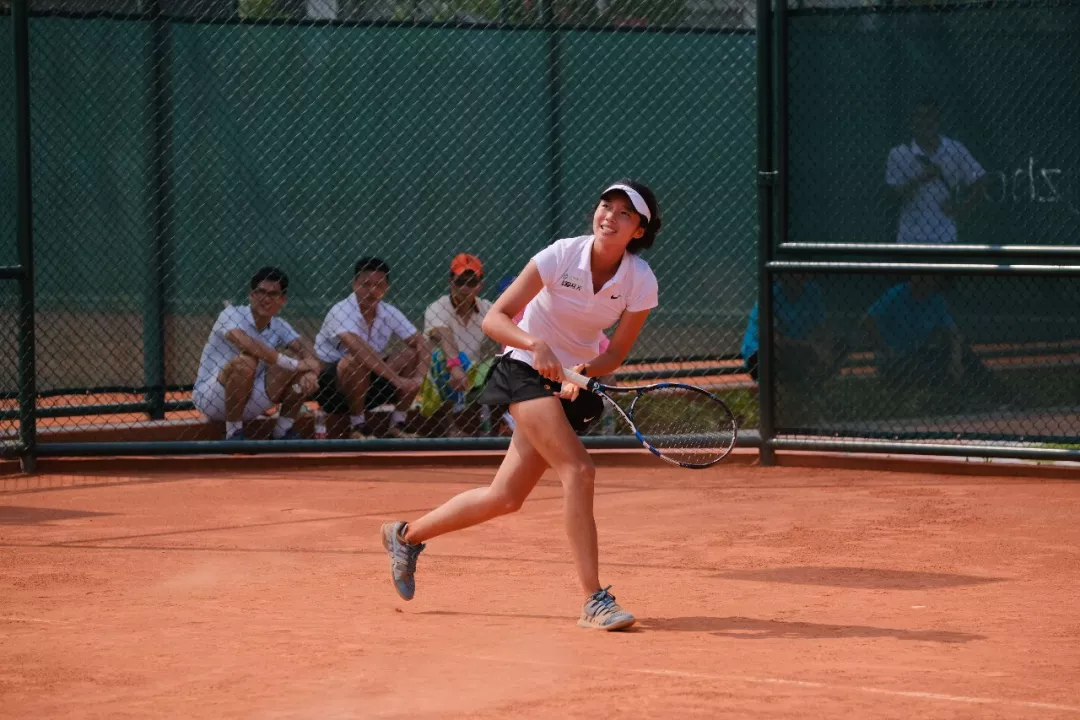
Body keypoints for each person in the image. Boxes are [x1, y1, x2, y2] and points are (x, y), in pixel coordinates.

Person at [379, 180, 662, 631]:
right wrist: (535, 344)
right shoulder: (561, 254)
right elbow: (495, 318)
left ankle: (406, 536)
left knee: (505, 497)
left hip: (568, 382)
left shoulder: (640, 281)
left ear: (639, 231)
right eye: (606, 205)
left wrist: (583, 372)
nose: (610, 216)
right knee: (579, 470)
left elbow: (616, 354)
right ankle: (594, 599)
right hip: (523, 368)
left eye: (624, 213)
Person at [193, 266, 321, 440]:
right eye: (261, 292)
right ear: (251, 295)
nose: (266, 299)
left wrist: (311, 373)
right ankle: (233, 435)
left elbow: (306, 350)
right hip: (213, 399)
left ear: (282, 300)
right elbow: (244, 342)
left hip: (251, 401)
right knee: (246, 362)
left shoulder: (279, 325)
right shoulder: (231, 314)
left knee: (298, 372)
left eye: (273, 294)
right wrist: (294, 364)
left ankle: (282, 432)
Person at [313, 257, 431, 439]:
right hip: (332, 388)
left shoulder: (388, 311)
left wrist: (419, 379)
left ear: (386, 288)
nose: (372, 291)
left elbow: (421, 342)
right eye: (365, 284)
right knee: (355, 360)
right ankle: (358, 425)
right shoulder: (341, 310)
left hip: (370, 381)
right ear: (354, 284)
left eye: (378, 285)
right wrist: (397, 380)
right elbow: (358, 349)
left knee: (412, 354)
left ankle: (398, 424)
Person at [885, 99, 990, 244]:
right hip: (909, 238)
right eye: (920, 116)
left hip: (945, 237)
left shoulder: (954, 149)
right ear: (912, 121)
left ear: (938, 120)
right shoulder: (899, 153)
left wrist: (961, 207)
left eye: (930, 116)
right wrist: (920, 179)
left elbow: (982, 180)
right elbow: (892, 195)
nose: (926, 122)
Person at [418, 254, 499, 437]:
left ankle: (491, 427)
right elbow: (443, 336)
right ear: (451, 282)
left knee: (501, 363)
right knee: (441, 357)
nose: (465, 287)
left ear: (480, 285)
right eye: (460, 281)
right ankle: (450, 427)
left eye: (471, 282)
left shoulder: (487, 308)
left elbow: (506, 328)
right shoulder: (438, 307)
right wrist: (455, 366)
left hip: (473, 371)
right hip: (438, 375)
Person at [741, 274, 845, 384]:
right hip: (761, 354)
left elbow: (822, 327)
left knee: (840, 345)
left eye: (800, 273)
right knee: (782, 352)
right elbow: (776, 340)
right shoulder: (770, 294)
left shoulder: (812, 291)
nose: (796, 278)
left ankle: (816, 383)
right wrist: (810, 346)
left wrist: (824, 348)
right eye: (791, 274)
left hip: (799, 349)